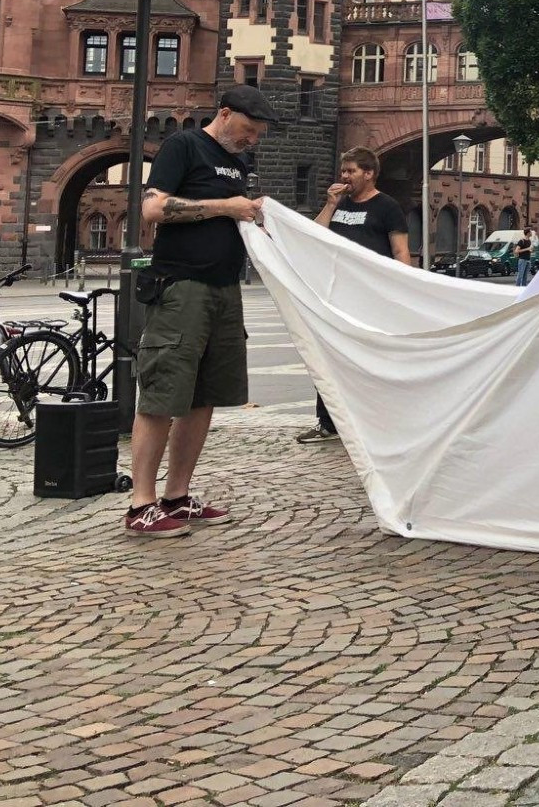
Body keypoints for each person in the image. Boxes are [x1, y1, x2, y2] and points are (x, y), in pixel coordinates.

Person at [125, 84, 277, 537]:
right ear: (225, 114)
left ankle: (177, 495)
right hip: (182, 287)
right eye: (249, 130)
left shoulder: (238, 162)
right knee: (162, 394)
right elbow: (152, 209)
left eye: (258, 134)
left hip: (224, 288)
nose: (253, 140)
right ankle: (141, 504)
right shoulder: (184, 145)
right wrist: (223, 207)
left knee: (203, 396)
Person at [297, 146, 411, 445]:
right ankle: (327, 422)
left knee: (368, 359)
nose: (345, 177)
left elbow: (400, 251)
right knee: (328, 356)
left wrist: (403, 290)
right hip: (336, 295)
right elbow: (314, 237)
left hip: (371, 297)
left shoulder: (387, 207)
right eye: (343, 171)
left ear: (369, 173)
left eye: (351, 171)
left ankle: (373, 420)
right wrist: (331, 204)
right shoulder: (340, 204)